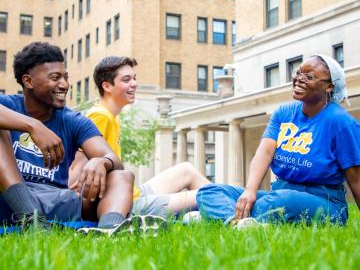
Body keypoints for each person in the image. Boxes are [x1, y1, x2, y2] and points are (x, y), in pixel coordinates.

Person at [196, 55, 360, 227]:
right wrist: (250, 191)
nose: (299, 79)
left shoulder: (341, 123)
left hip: (325, 202)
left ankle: (212, 217)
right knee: (209, 191)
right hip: (279, 192)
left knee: (282, 201)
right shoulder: (284, 113)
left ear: (329, 87)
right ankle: (234, 223)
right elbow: (264, 153)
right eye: (298, 72)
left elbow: (356, 179)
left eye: (309, 77)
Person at [0, 42, 136, 235]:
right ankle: (32, 222)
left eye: (65, 77)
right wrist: (33, 125)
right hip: (10, 199)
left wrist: (102, 161)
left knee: (122, 176)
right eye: (55, 78)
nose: (64, 85)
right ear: (28, 81)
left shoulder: (74, 120)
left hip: (56, 199)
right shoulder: (7, 105)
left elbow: (113, 159)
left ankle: (109, 234)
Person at [70, 56, 210, 218]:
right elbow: (78, 166)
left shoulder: (113, 117)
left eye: (134, 78)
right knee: (206, 194)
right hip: (123, 204)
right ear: (107, 86)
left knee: (186, 170)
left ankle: (233, 213)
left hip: (132, 193)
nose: (134, 84)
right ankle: (234, 217)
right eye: (126, 80)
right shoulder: (99, 117)